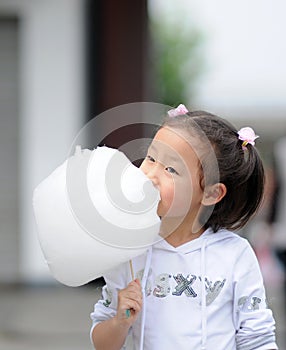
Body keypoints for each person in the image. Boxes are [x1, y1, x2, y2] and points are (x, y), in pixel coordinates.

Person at [90, 105, 278, 350]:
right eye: (151, 158)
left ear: (211, 193)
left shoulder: (235, 255)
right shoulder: (130, 251)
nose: (151, 174)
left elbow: (257, 339)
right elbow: (103, 344)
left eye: (171, 169)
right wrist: (122, 319)